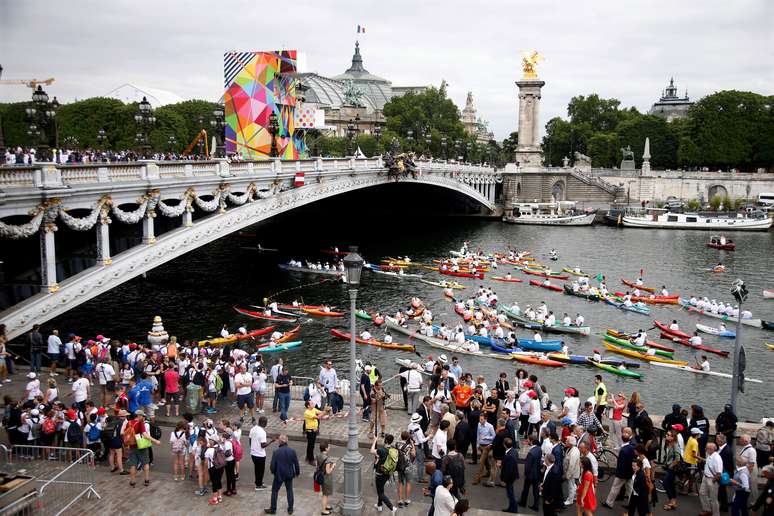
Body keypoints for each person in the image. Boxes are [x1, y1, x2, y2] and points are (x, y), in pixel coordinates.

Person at [123, 410, 160, 488]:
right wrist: (155, 441)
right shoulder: (140, 423)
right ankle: (146, 480)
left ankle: (132, 481)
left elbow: (124, 433)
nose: (143, 417)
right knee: (146, 463)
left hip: (132, 446)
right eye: (142, 416)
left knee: (133, 465)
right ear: (138, 416)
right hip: (141, 445)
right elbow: (145, 435)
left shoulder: (129, 422)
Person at [265, 434, 300, 514]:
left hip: (279, 474)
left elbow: (273, 465)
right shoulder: (292, 451)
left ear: (280, 442)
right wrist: (297, 473)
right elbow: (296, 463)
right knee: (289, 490)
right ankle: (290, 509)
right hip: (289, 474)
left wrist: (274, 472)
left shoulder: (276, 452)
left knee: (275, 491)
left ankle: (273, 509)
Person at [604, 427, 636, 508]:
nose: (623, 433)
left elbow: (621, 464)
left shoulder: (624, 450)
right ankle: (632, 504)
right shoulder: (632, 445)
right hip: (629, 472)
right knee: (630, 489)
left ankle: (609, 503)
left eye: (624, 432)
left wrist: (619, 474)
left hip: (623, 473)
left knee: (615, 488)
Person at [370, 434, 397, 514]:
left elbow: (371, 451)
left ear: (385, 440)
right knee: (381, 489)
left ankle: (392, 508)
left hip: (380, 473)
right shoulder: (393, 449)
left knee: (380, 493)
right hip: (388, 473)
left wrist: (375, 440)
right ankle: (379, 506)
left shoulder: (382, 450)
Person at [249, 416, 273, 490]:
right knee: (260, 470)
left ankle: (258, 482)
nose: (266, 424)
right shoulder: (262, 432)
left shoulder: (253, 429)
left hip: (253, 453)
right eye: (266, 423)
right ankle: (258, 485)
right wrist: (271, 441)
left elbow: (250, 439)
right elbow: (263, 445)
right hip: (260, 454)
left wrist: (252, 447)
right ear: (264, 423)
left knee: (257, 469)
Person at [472, 413, 495, 486]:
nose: (480, 421)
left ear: (485, 419)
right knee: (485, 460)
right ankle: (488, 471)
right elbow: (478, 435)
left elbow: (494, 436)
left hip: (487, 446)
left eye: (481, 419)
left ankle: (477, 479)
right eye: (479, 419)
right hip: (481, 446)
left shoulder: (490, 427)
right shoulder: (479, 424)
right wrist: (477, 444)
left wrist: (485, 437)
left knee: (481, 461)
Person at [661, 430, 681, 511]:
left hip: (673, 468)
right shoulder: (668, 444)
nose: (666, 436)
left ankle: (672, 501)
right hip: (669, 467)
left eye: (668, 435)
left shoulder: (675, 445)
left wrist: (671, 465)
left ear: (673, 437)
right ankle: (673, 502)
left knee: (665, 483)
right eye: (666, 434)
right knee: (671, 484)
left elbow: (678, 458)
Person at [499, 437, 520, 513]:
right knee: (510, 493)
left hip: (510, 477)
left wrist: (504, 480)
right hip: (513, 475)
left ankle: (513, 509)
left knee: (510, 494)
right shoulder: (513, 451)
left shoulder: (509, 456)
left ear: (504, 445)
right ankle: (511, 507)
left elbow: (508, 470)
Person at [737, 434, 760, 501]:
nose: (739, 440)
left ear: (745, 441)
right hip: (745, 470)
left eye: (741, 439)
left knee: (753, 487)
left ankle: (755, 501)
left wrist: (748, 474)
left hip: (751, 471)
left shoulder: (751, 450)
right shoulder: (745, 447)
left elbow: (752, 463)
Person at [316, 441, 336, 515]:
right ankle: (324, 510)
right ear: (326, 448)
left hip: (321, 476)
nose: (330, 448)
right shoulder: (327, 459)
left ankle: (326, 505)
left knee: (325, 493)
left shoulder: (318, 455)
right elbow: (328, 471)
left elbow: (317, 466)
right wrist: (333, 466)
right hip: (326, 478)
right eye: (329, 447)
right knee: (325, 494)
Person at [303, 400, 323, 464]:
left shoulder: (313, 409)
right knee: (311, 446)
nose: (313, 404)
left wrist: (325, 411)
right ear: (308, 406)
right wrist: (325, 412)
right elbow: (317, 417)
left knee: (310, 445)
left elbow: (320, 412)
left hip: (314, 430)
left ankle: (308, 456)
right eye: (311, 403)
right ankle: (311, 460)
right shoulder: (307, 412)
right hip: (310, 431)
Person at [563, 435, 581, 507]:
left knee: (571, 486)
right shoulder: (570, 448)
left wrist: (568, 475)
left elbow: (571, 466)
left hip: (572, 473)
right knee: (573, 485)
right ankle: (575, 496)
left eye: (566, 441)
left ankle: (570, 500)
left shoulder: (573, 452)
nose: (565, 442)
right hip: (571, 472)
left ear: (570, 443)